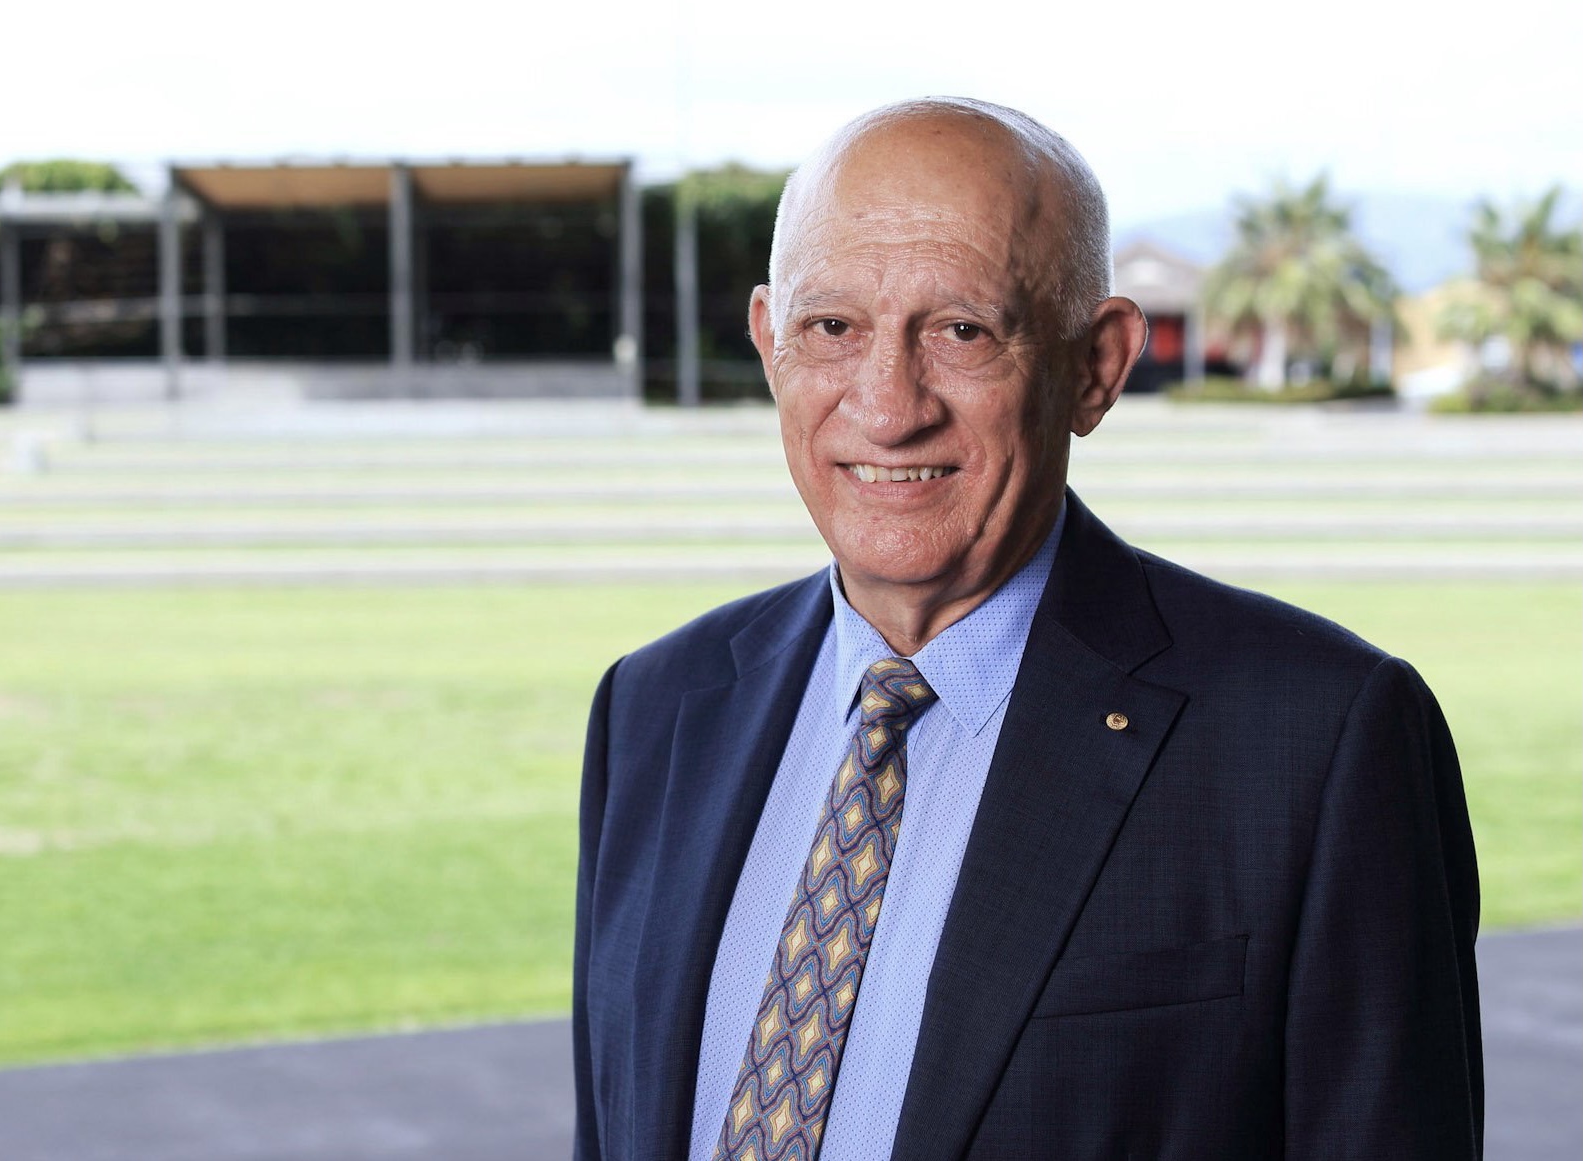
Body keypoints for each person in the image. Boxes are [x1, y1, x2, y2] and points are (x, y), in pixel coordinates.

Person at [572, 98, 1482, 1160]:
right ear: (770, 342)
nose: (886, 405)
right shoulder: (656, 709)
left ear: (1095, 366)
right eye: (833, 329)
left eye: (960, 331)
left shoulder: (1316, 744)